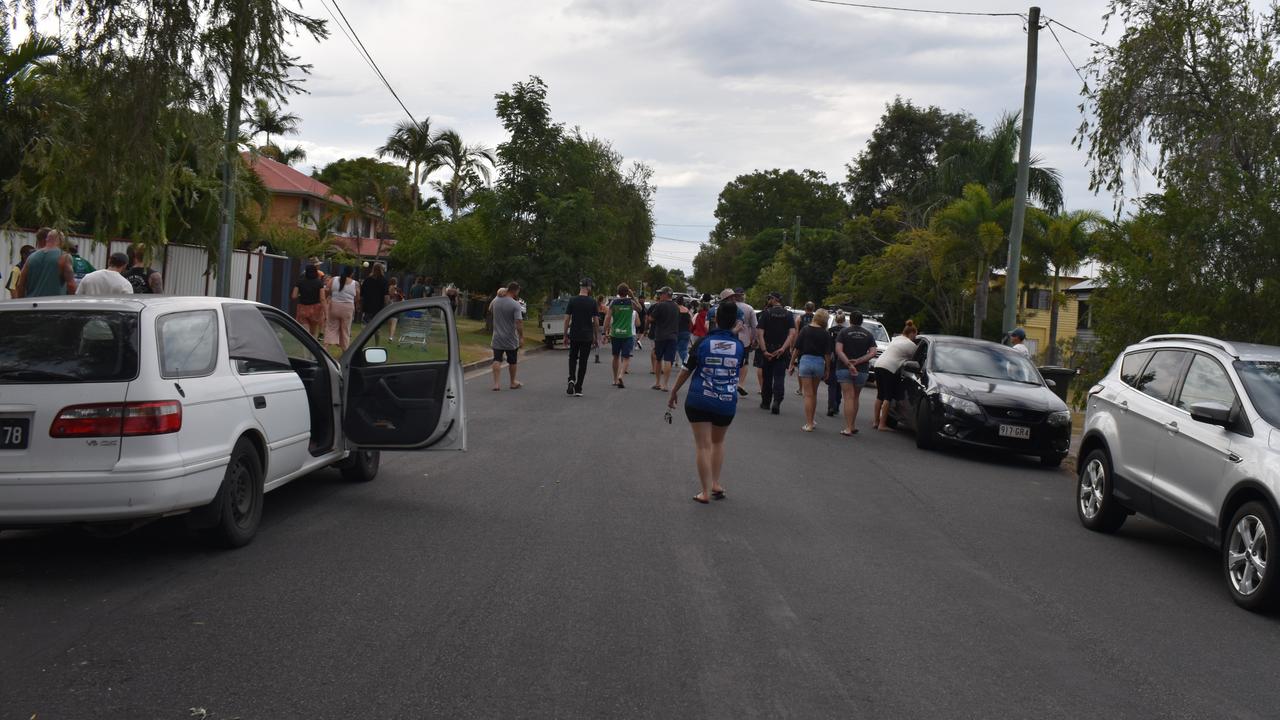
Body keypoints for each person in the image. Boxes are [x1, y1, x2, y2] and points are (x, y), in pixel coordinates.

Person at [667, 300, 744, 504]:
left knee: (703, 446)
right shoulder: (739, 346)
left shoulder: (703, 343)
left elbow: (686, 369)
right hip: (726, 401)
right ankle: (715, 483)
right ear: (735, 322)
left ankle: (704, 492)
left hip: (700, 399)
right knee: (718, 442)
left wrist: (674, 391)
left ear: (716, 320)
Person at [835, 311, 880, 436]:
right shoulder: (868, 334)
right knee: (855, 397)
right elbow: (872, 353)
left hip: (844, 368)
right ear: (861, 321)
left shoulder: (843, 333)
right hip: (862, 370)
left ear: (850, 320)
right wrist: (859, 361)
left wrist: (849, 364)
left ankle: (848, 428)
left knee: (848, 397)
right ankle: (852, 425)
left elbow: (839, 350)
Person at [789, 308, 833, 432]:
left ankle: (809, 423)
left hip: (806, 361)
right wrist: (828, 369)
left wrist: (791, 363)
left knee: (807, 394)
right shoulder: (825, 333)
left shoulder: (805, 330)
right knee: (814, 394)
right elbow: (827, 354)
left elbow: (797, 349)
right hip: (819, 362)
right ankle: (811, 420)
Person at [754, 291, 797, 414]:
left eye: (769, 298)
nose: (768, 300)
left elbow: (760, 333)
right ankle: (777, 401)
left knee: (767, 377)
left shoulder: (766, 314)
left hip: (768, 348)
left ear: (773, 299)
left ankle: (766, 402)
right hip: (781, 350)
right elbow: (792, 334)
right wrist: (784, 348)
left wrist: (764, 350)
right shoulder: (788, 315)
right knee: (779, 377)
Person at [874, 319, 920, 431]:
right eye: (916, 334)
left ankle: (876, 422)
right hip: (889, 368)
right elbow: (917, 361)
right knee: (887, 397)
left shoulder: (896, 339)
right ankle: (882, 424)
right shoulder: (912, 346)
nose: (916, 337)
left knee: (880, 395)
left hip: (878, 364)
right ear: (912, 333)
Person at [563, 278, 599, 396]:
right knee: (583, 361)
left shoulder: (572, 300)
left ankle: (571, 379)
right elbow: (596, 321)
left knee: (572, 357)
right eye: (591, 287)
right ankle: (578, 388)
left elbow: (567, 318)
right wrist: (596, 335)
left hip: (574, 334)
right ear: (588, 287)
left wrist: (565, 334)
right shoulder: (592, 302)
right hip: (587, 335)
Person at [14, 228, 76, 298]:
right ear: (61, 241)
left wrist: (22, 302)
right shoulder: (64, 257)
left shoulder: (31, 257)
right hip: (53, 305)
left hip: (32, 305)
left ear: (47, 240)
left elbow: (20, 285)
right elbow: (71, 285)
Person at [602, 283, 641, 388]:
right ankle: (621, 375)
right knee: (626, 357)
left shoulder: (613, 303)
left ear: (618, 292)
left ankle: (615, 379)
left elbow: (608, 317)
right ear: (627, 292)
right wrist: (632, 296)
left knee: (615, 356)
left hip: (615, 333)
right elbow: (640, 309)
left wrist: (604, 332)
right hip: (627, 334)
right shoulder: (630, 302)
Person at [490, 281, 525, 390]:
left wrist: (498, 295)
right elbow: (519, 322)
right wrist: (521, 337)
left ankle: (496, 384)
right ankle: (512, 382)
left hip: (497, 336)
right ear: (515, 290)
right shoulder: (515, 304)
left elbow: (490, 309)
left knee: (497, 359)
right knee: (512, 360)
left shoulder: (496, 301)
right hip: (510, 337)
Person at [725, 288, 757, 397]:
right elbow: (754, 326)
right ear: (743, 296)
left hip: (730, 336)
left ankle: (729, 381)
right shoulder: (749, 308)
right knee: (744, 361)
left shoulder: (728, 307)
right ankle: (741, 384)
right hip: (745, 339)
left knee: (730, 359)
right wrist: (754, 339)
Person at [648, 286, 680, 391]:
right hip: (673, 336)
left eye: (661, 293)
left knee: (658, 359)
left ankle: (657, 383)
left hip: (660, 336)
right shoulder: (676, 307)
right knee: (668, 360)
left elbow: (651, 318)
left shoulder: (660, 305)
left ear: (666, 294)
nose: (659, 295)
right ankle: (665, 384)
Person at [326, 266, 360, 351]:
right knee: (345, 330)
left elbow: (327, 289)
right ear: (352, 273)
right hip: (348, 308)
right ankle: (345, 350)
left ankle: (325, 347)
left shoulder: (334, 279)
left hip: (334, 306)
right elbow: (357, 297)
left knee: (331, 327)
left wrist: (331, 296)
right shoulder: (355, 283)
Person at [292, 263, 327, 337]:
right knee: (313, 332)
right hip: (315, 309)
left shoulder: (300, 282)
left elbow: (294, 296)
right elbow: (322, 298)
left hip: (302, 308)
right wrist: (326, 312)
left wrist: (301, 294)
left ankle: (304, 347)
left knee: (305, 331)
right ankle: (311, 345)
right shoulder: (319, 283)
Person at [825, 311, 847, 417]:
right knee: (839, 384)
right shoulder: (846, 332)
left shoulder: (830, 331)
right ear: (844, 320)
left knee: (832, 384)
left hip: (832, 358)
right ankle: (837, 405)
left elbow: (827, 347)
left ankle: (831, 406)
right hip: (843, 360)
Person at [676, 297, 693, 367]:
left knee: (672, 348)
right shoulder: (687, 311)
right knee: (683, 350)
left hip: (676, 331)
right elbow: (691, 322)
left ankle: (669, 363)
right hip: (686, 332)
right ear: (683, 302)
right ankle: (686, 363)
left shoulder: (675, 309)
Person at [594, 294, 608, 363]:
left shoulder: (594, 307)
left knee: (594, 340)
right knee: (598, 341)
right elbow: (607, 318)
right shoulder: (605, 308)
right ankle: (597, 355)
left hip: (594, 325)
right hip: (601, 325)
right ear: (602, 300)